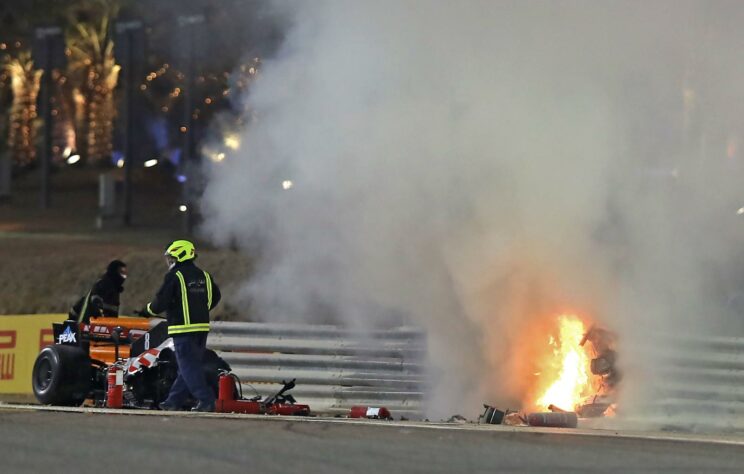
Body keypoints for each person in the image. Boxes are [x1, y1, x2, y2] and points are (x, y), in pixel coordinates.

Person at [140, 240, 221, 412]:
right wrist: (201, 309)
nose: (169, 261)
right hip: (201, 328)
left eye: (171, 257)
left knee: (187, 366)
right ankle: (172, 401)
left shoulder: (174, 276)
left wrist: (147, 310)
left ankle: (206, 400)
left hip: (182, 329)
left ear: (180, 255)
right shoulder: (204, 275)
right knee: (188, 366)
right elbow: (216, 297)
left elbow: (160, 302)